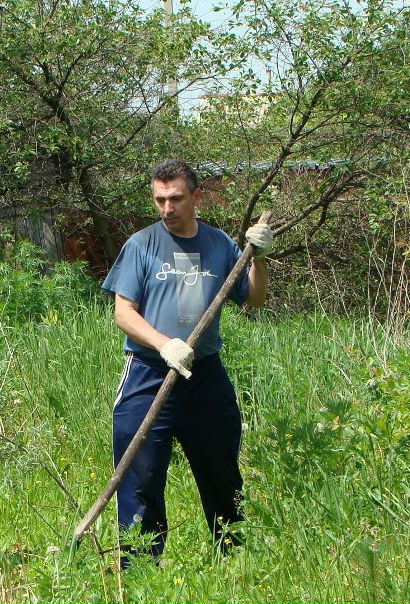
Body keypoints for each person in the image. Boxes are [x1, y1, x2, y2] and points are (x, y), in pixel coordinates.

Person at [100, 159, 273, 563]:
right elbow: (123, 313)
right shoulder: (141, 245)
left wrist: (260, 258)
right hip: (148, 373)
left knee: (222, 475)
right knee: (139, 476)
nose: (167, 208)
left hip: (204, 375)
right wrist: (164, 345)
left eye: (176, 198)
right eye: (159, 199)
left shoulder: (219, 245)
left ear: (196, 197)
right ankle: (140, 570)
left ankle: (232, 560)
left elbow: (254, 299)